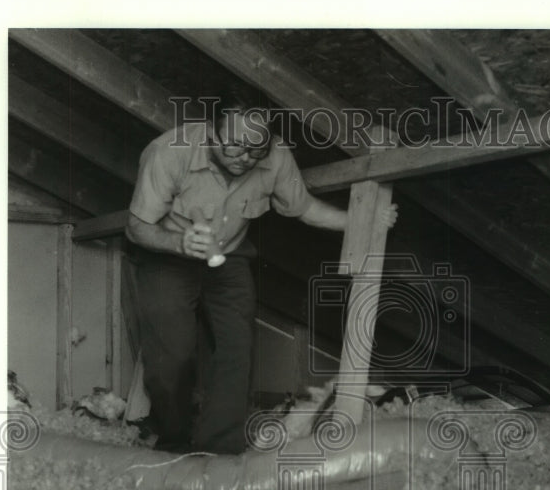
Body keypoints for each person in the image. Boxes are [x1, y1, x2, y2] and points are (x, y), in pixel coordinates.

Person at [125, 101, 397, 454]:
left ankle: (218, 448)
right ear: (212, 133)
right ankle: (174, 442)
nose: (244, 157)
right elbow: (137, 227)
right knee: (173, 352)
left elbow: (305, 208)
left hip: (229, 253)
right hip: (168, 251)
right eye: (234, 145)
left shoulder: (276, 156)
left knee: (237, 345)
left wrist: (360, 221)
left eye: (256, 149)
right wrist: (179, 242)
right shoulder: (168, 152)